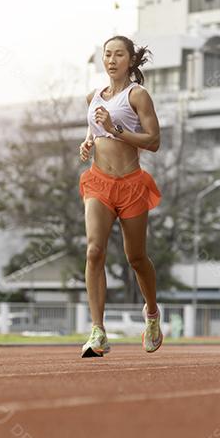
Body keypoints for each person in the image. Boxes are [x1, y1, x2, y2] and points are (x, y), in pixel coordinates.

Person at [77, 35, 163, 357]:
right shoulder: (93, 96)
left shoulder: (138, 95)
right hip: (98, 181)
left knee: (136, 258)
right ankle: (98, 332)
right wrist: (88, 142)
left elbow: (154, 141)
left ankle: (152, 313)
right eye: (107, 55)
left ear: (131, 60)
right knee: (94, 251)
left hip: (131, 184)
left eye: (118, 55)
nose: (111, 60)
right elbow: (94, 128)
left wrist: (115, 130)